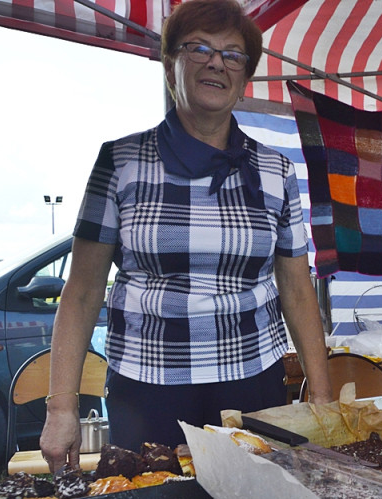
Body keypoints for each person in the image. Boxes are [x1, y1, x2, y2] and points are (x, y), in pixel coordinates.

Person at [40, 0, 331, 473]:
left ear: (245, 77)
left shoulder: (276, 172)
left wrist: (320, 398)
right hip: (148, 388)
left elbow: (297, 289)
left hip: (252, 383)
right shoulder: (121, 162)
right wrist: (61, 408)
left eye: (233, 54)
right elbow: (82, 291)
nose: (216, 62)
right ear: (169, 62)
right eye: (199, 48)